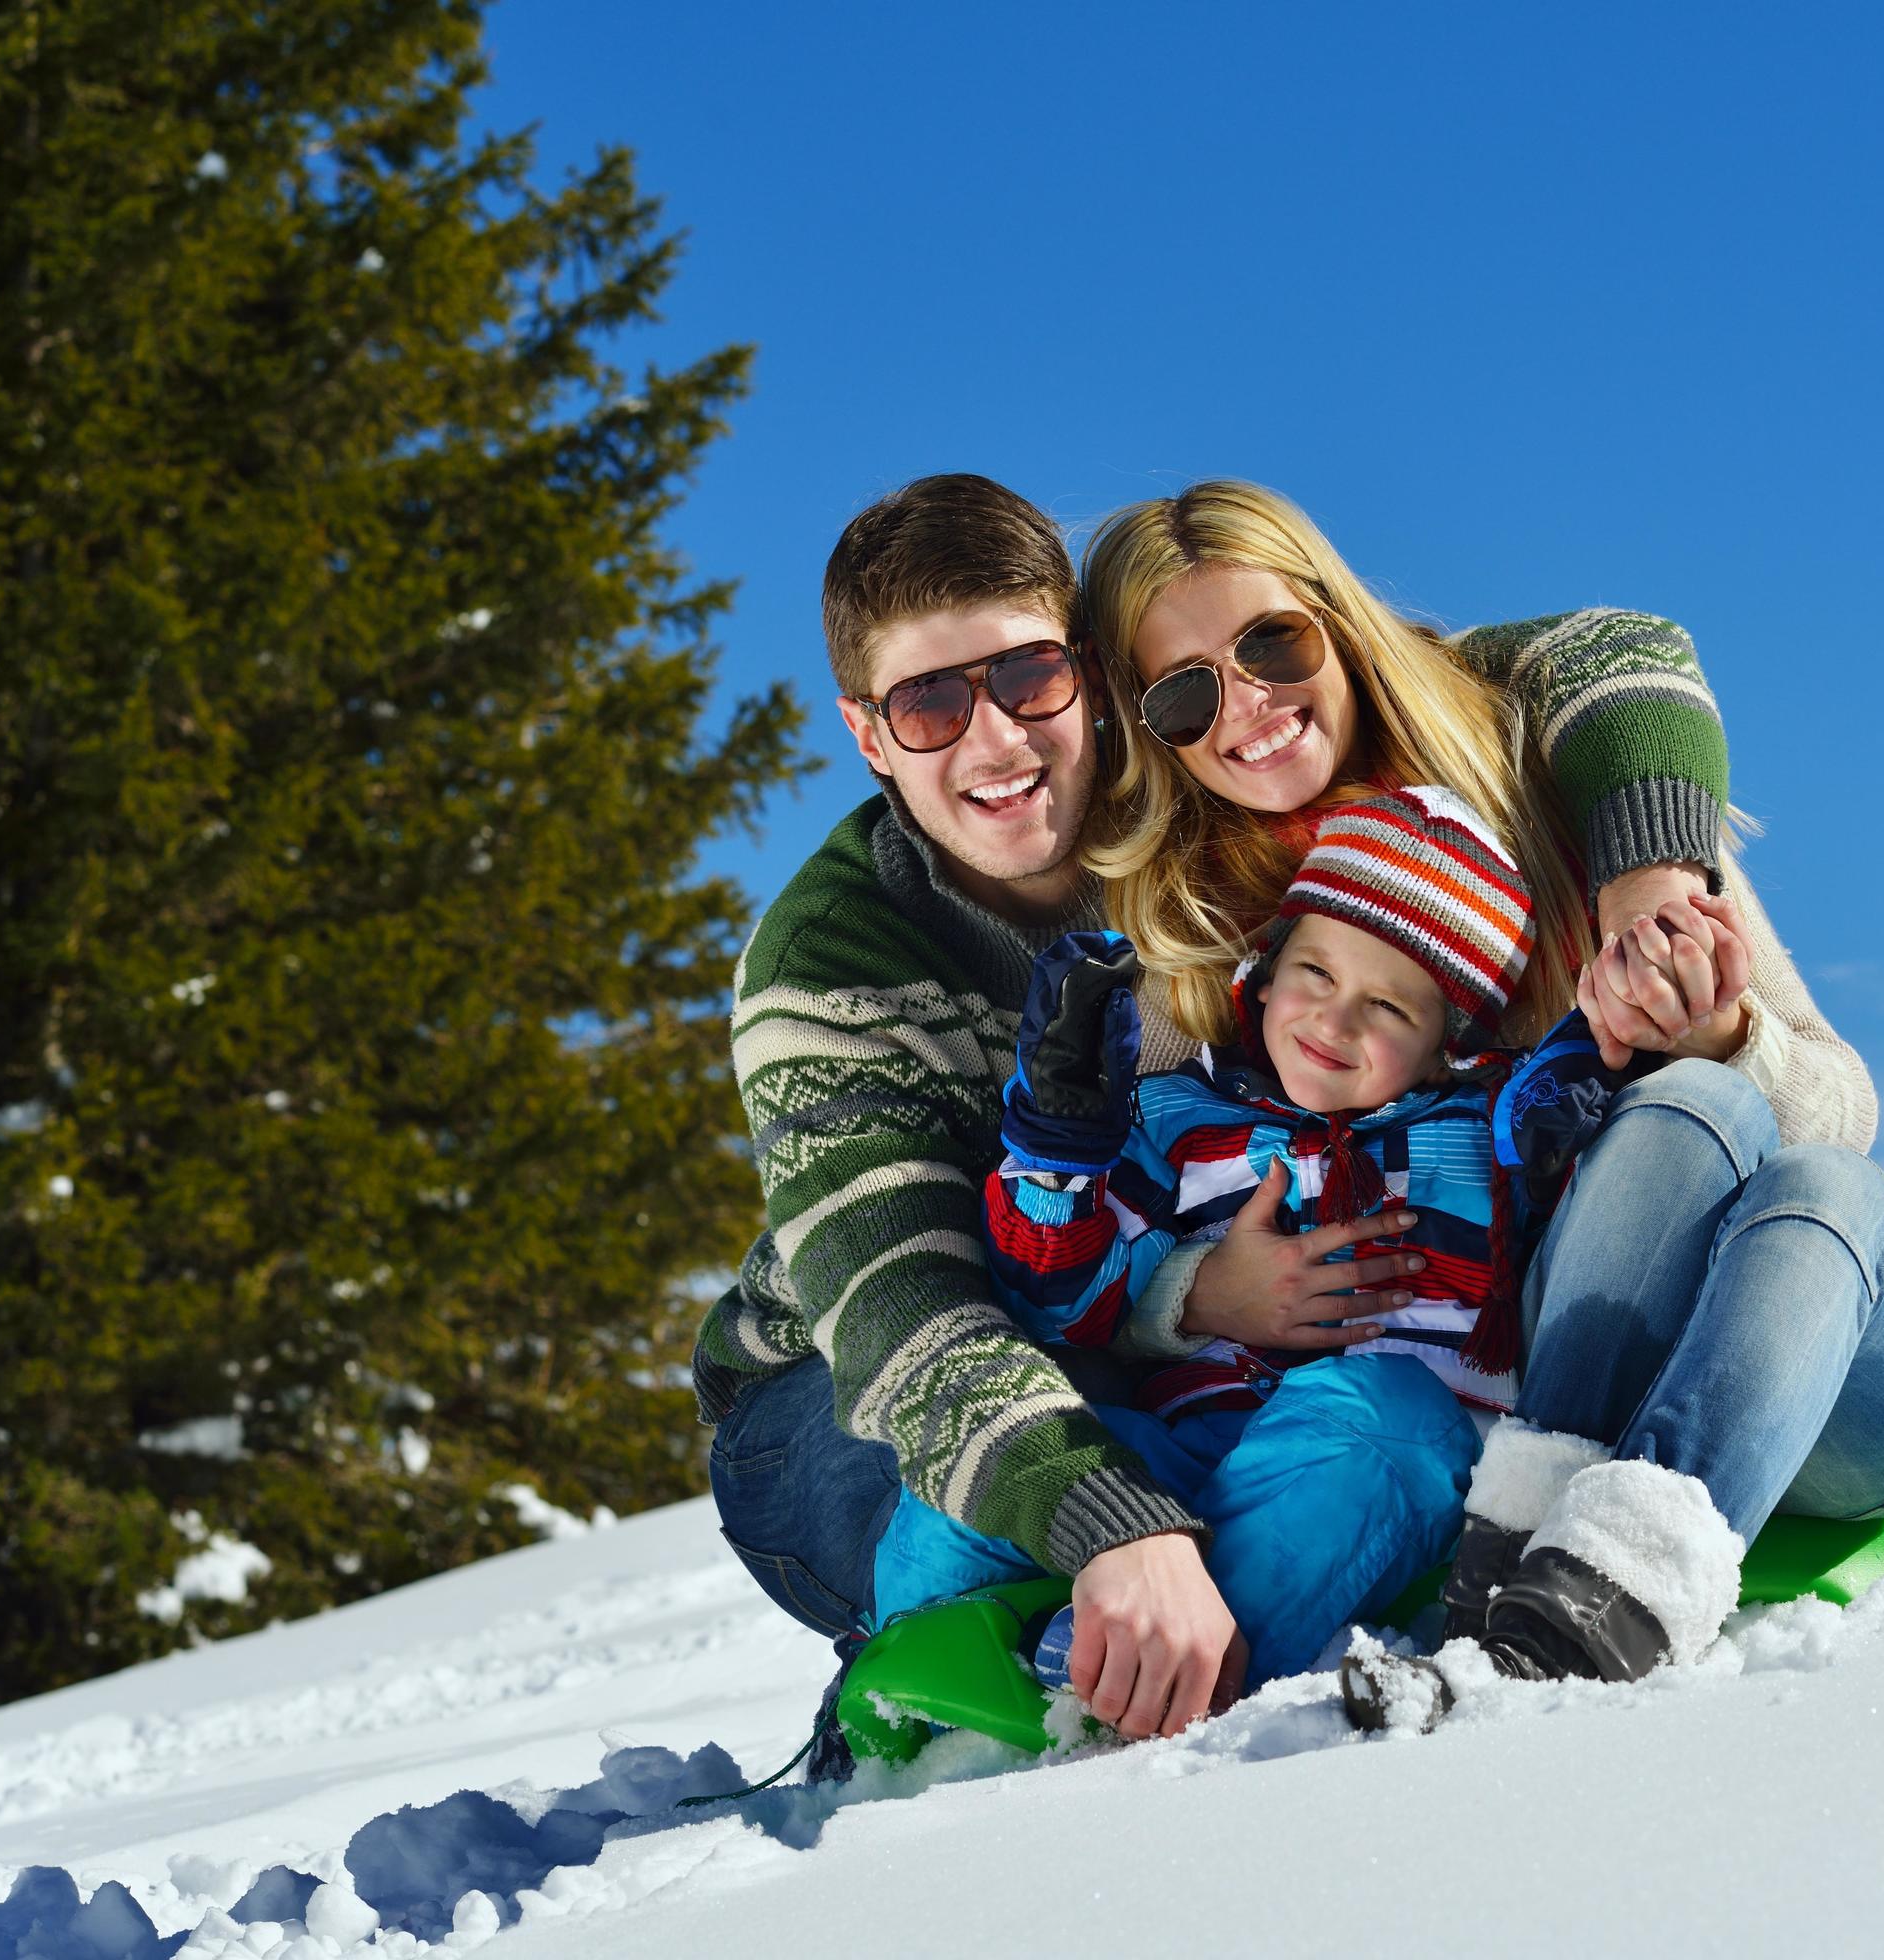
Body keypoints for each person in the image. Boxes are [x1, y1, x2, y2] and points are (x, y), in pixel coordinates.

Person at [690, 475, 1755, 1754]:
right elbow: (903, 1318)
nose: (997, 742)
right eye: (929, 702)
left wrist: (1650, 896)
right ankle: (941, 1715)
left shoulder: (1197, 775)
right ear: (870, 735)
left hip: (1148, 1339)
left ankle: (1191, 1637)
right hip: (840, 1384)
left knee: (1368, 1448)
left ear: (1087, 674)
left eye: (1026, 677)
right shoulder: (833, 956)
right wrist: (1116, 1507)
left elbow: (1604, 652)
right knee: (957, 1511)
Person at [1076, 483, 1884, 1714]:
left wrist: (1713, 1029)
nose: (1245, 707)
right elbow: (1107, 1229)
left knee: (1752, 1142)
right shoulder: (1192, 953)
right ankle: (1561, 1569)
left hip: (1811, 1366)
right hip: (1538, 1394)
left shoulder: (1565, 813)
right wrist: (1197, 1296)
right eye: (1183, 693)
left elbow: (1837, 1110)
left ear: (1340, 622)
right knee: (1687, 1126)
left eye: (1272, 643)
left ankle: (1608, 1550)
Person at [893, 787, 1580, 1687]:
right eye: (1317, 975)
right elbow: (1060, 1303)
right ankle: (911, 1670)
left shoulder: (1482, 1133)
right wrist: (1059, 1149)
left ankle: (1179, 1668)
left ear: (1449, 1047)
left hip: (1372, 1487)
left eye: (1390, 1008)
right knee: (1002, 1452)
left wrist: (1565, 1123)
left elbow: (1574, 1224)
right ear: (1264, 967)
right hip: (1190, 1458)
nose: (1333, 1023)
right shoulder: (1181, 1117)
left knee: (1390, 1414)